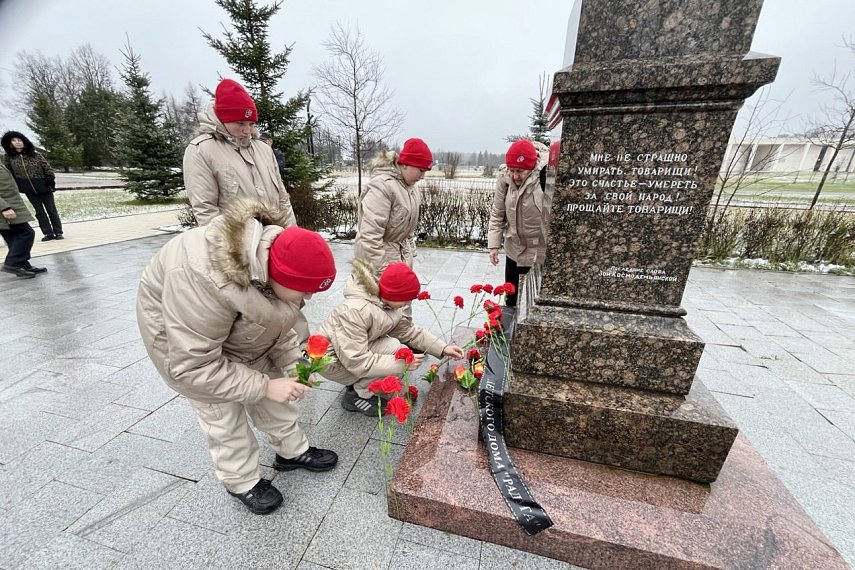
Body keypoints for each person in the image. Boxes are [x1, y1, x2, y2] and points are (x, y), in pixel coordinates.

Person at [136, 200, 338, 515]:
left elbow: (278, 322)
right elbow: (193, 365)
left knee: (276, 393)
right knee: (223, 417)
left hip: (226, 331)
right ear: (276, 276)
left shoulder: (272, 264)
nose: (308, 298)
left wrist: (293, 361)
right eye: (303, 291)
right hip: (185, 348)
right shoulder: (201, 276)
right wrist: (265, 386)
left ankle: (291, 452)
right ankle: (241, 480)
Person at [317, 260, 464, 415]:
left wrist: (443, 348)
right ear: (393, 294)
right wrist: (400, 365)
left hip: (351, 351)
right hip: (331, 361)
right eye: (406, 298)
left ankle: (361, 382)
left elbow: (408, 331)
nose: (408, 303)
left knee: (399, 350)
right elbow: (356, 360)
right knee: (397, 351)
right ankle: (357, 394)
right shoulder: (355, 311)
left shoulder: (388, 303)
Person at [183, 79, 295, 227]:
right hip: (237, 245)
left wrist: (291, 235)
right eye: (240, 123)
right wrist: (234, 248)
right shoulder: (201, 150)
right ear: (223, 120)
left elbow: (282, 199)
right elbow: (206, 210)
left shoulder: (264, 149)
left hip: (276, 240)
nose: (247, 130)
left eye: (251, 124)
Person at [353, 137, 433, 275]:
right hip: (377, 265)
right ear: (405, 164)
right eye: (420, 170)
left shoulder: (411, 188)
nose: (423, 176)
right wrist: (385, 271)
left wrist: (410, 251)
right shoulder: (382, 187)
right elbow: (369, 237)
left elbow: (406, 227)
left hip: (400, 260)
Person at [487, 139, 550, 307]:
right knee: (511, 299)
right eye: (512, 170)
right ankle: (507, 332)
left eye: (520, 171)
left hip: (538, 253)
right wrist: (494, 245)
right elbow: (498, 213)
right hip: (514, 248)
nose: (515, 176)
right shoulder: (504, 178)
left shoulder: (546, 175)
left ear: (531, 167)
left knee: (532, 303)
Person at [1, 130, 64, 241]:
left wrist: (49, 179)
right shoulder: (9, 158)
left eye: (20, 140)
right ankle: (47, 232)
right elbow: (9, 174)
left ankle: (58, 232)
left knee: (51, 210)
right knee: (39, 212)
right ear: (10, 144)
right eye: (14, 141)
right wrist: (19, 185)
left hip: (44, 186)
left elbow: (47, 168)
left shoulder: (35, 155)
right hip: (29, 189)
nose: (18, 143)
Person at [0, 164, 46, 278]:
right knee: (26, 233)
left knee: (13, 237)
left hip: (11, 204)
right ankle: (12, 263)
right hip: (6, 207)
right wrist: (4, 207)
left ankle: (22, 264)